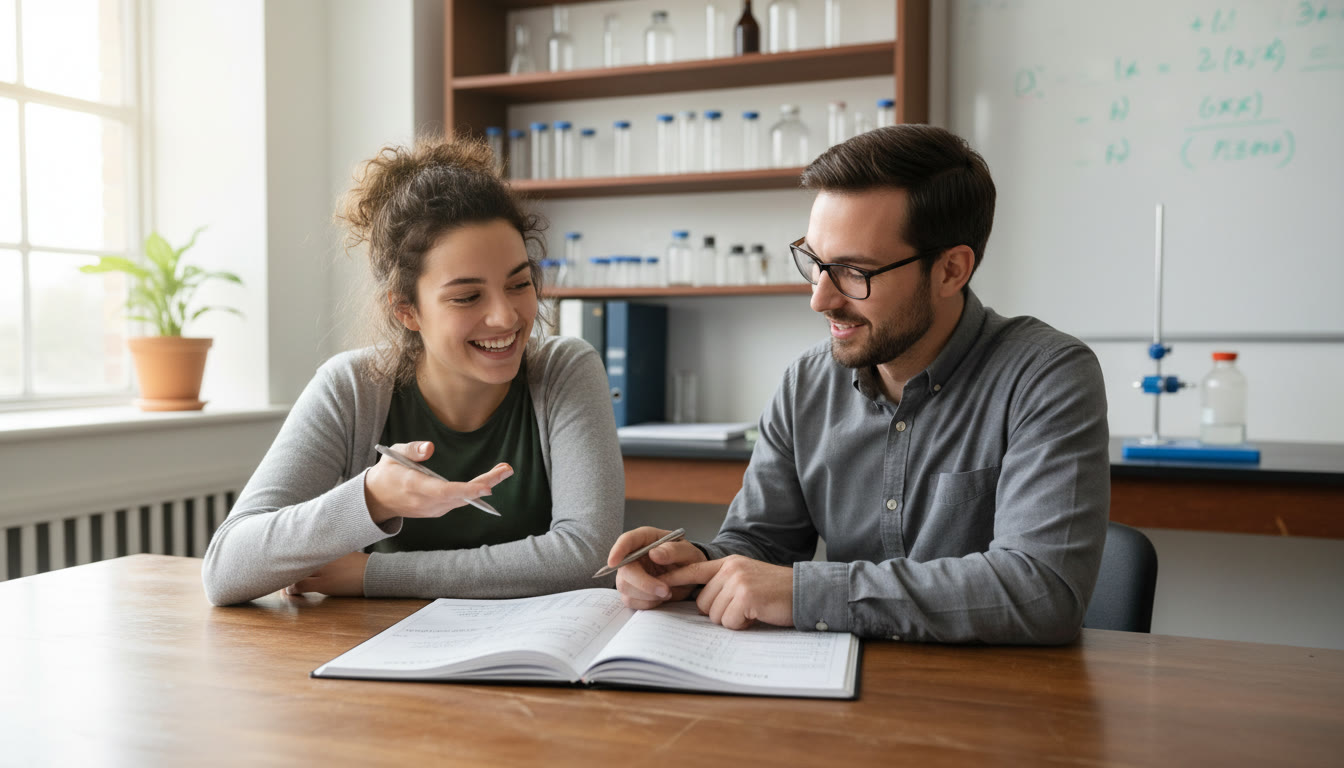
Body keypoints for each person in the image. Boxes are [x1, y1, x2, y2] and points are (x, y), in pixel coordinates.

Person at [608, 124, 1110, 644]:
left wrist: (808, 594)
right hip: (835, 695)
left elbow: (1042, 590)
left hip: (994, 705)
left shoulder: (1047, 375)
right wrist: (696, 567)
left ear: (950, 271)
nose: (820, 299)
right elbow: (762, 544)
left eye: (852, 271)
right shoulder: (807, 381)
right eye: (815, 262)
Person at [202, 136, 623, 606]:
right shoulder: (352, 389)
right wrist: (372, 497)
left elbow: (591, 559)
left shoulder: (566, 370)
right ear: (406, 310)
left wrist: (374, 575)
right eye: (467, 296)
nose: (506, 317)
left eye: (519, 283)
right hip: (378, 658)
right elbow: (226, 569)